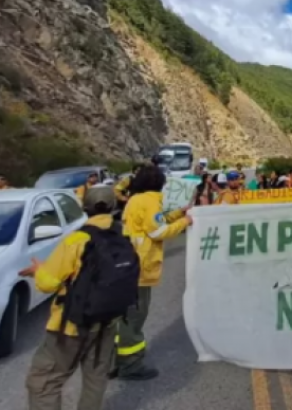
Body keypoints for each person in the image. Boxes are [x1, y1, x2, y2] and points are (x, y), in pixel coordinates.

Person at [22, 186, 138, 410]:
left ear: (85, 208)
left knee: (43, 383)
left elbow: (48, 283)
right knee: (96, 378)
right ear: (113, 207)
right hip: (108, 321)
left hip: (73, 326)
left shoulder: (76, 240)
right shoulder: (123, 236)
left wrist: (39, 270)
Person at [116, 166, 193, 380]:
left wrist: (178, 213)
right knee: (134, 317)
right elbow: (158, 231)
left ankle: (115, 361)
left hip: (126, 265)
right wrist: (184, 222)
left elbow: (157, 220)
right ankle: (130, 365)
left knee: (123, 317)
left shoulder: (135, 199)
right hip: (139, 268)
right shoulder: (150, 200)